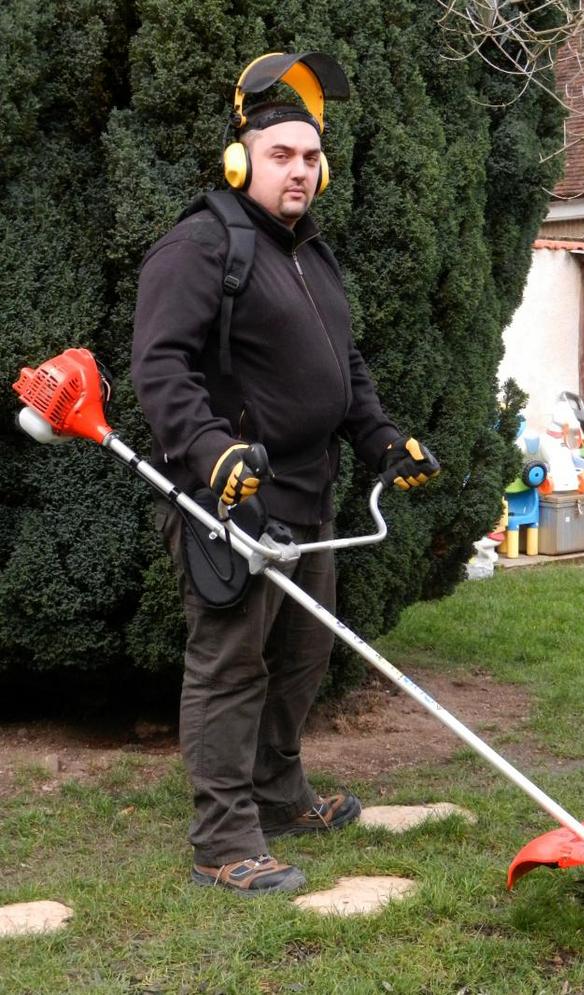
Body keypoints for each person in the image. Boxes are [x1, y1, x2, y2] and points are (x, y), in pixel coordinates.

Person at [131, 53, 439, 898]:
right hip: (229, 502)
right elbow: (159, 367)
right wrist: (207, 448)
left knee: (301, 658)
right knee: (231, 665)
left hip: (312, 499)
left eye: (309, 158)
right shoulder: (202, 245)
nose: (298, 170)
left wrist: (381, 438)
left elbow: (343, 364)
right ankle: (222, 839)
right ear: (242, 159)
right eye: (280, 156)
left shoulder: (311, 254)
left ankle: (277, 793)